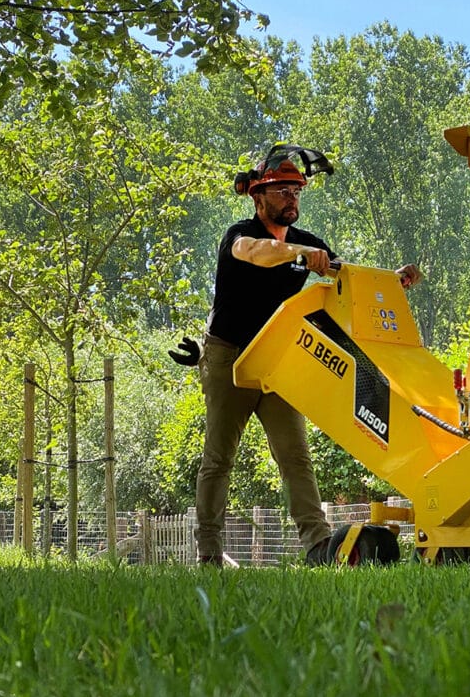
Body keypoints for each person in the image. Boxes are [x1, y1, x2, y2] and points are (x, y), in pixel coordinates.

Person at [179, 147, 421, 567]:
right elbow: (257, 252)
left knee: (294, 455)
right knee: (219, 457)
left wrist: (392, 281)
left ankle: (317, 548)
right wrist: (298, 257)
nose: (291, 198)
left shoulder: (310, 245)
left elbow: (348, 278)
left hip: (278, 359)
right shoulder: (239, 235)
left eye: (296, 191)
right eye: (282, 191)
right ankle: (209, 554)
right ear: (258, 197)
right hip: (228, 358)